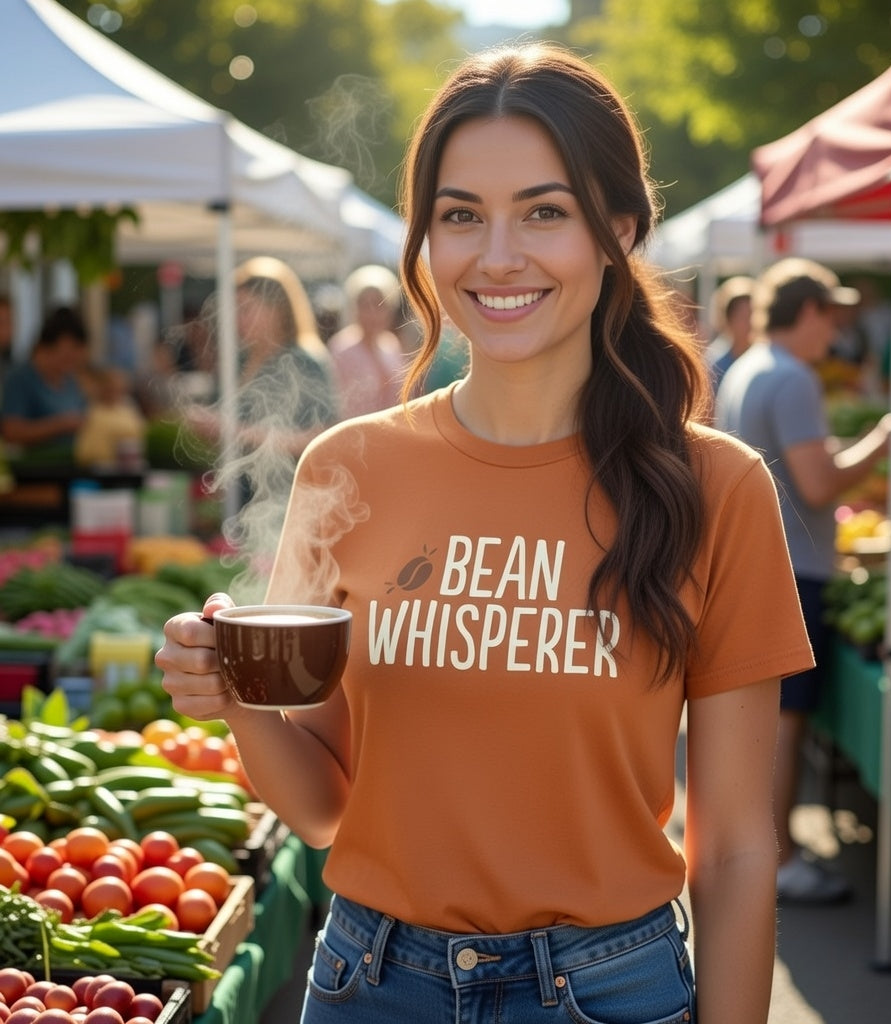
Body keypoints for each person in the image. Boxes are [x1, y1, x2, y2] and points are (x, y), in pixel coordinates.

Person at [157, 43, 814, 1024]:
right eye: (460, 215)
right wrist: (235, 699)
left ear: (618, 229)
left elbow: (732, 848)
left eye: (544, 212)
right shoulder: (345, 469)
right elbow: (324, 803)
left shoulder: (718, 488)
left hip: (609, 990)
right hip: (369, 984)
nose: (495, 255)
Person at [716, 256, 891, 906]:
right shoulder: (792, 376)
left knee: (768, 723)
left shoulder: (749, 365)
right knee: (786, 725)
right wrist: (884, 441)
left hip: (756, 564)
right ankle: (776, 860)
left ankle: (757, 852)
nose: (834, 334)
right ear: (807, 313)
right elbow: (818, 484)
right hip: (790, 569)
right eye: (829, 317)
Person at [185, 257, 339, 511]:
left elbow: (320, 439)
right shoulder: (238, 360)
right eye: (236, 309)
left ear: (276, 309)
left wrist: (235, 430)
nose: (238, 319)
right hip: (242, 501)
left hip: (291, 502)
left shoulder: (305, 362)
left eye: (246, 308)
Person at [0, 305, 89, 460]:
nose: (73, 359)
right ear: (47, 348)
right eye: (67, 353)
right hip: (34, 473)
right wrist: (60, 425)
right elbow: (11, 430)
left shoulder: (70, 381)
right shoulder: (20, 378)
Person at [327, 264, 407, 418]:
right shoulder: (341, 348)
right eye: (364, 305)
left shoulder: (391, 345)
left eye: (379, 305)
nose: (372, 313)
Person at [73, 364, 148, 468]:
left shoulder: (129, 406)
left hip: (130, 463)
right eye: (110, 387)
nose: (114, 391)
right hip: (98, 465)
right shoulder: (91, 408)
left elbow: (141, 431)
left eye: (118, 388)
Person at [702, 275, 753, 394]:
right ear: (728, 319)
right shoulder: (715, 364)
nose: (750, 323)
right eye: (743, 317)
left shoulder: (763, 358)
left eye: (753, 315)